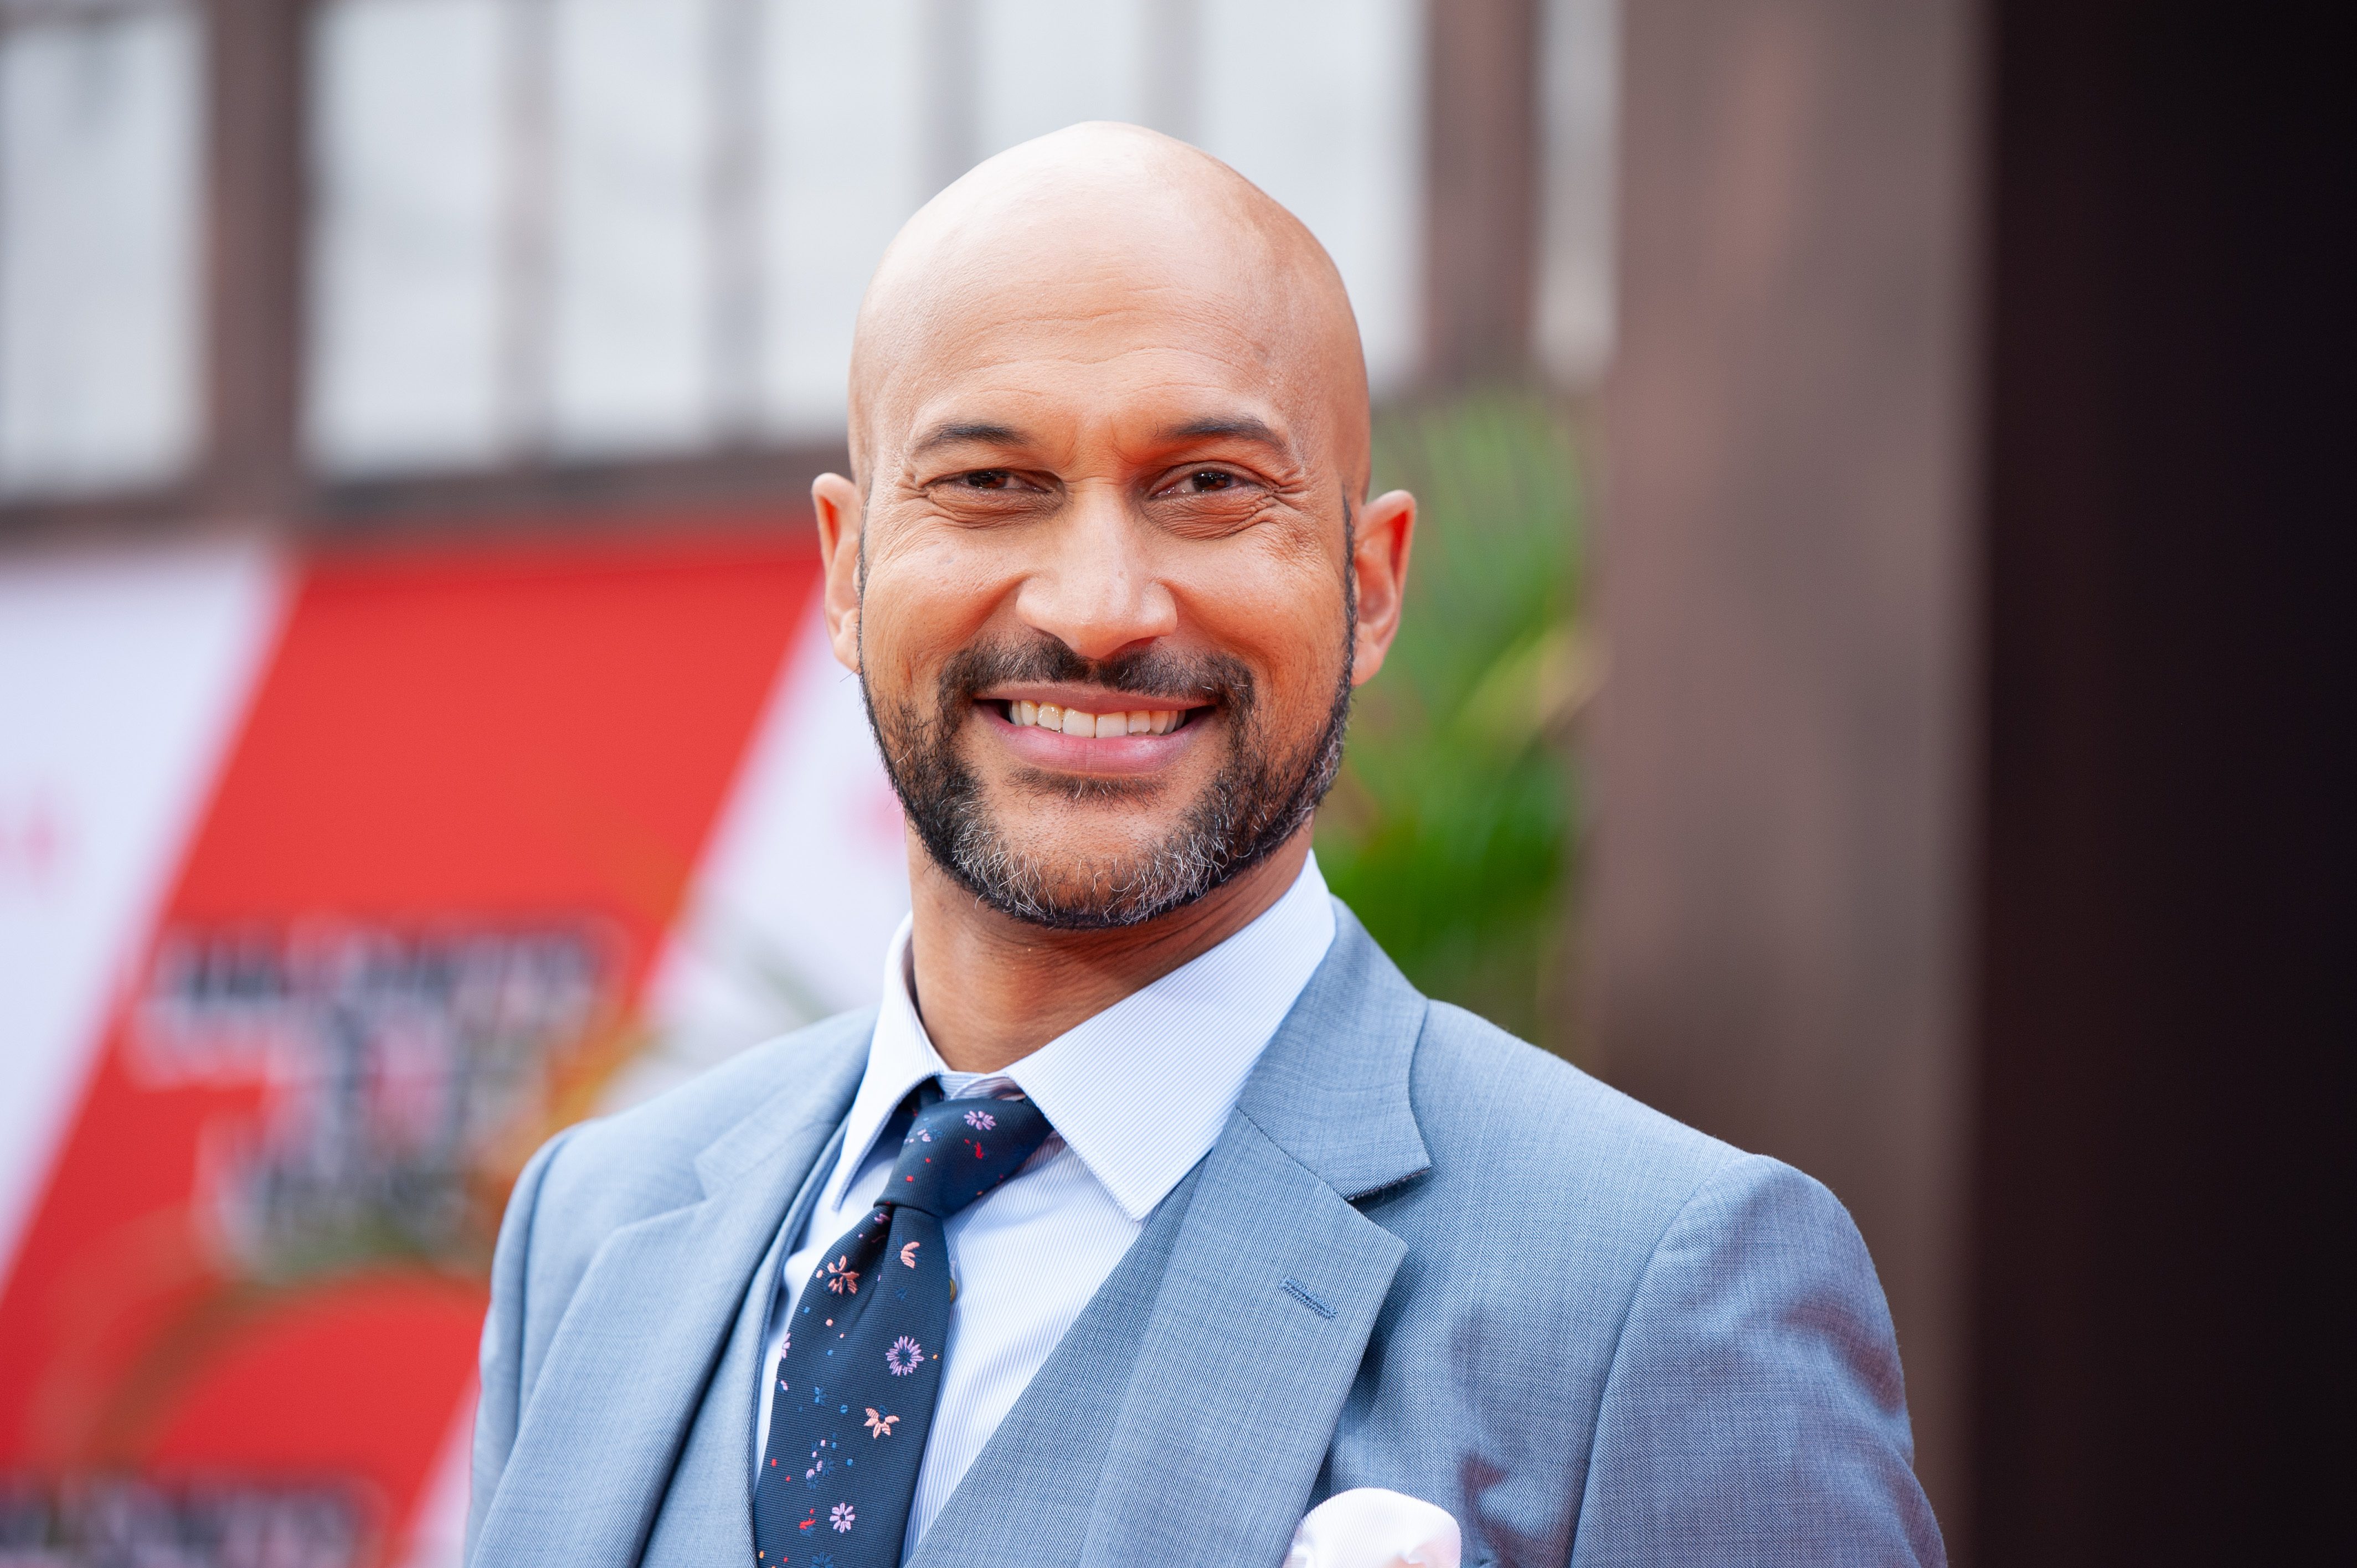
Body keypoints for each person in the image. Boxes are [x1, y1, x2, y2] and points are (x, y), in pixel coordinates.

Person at [462, 124, 1944, 1568]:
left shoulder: (1658, 1295)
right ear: (848, 570)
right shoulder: (598, 1228)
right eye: (991, 483)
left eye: (1210, 487)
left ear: (1370, 588)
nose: (1101, 606)